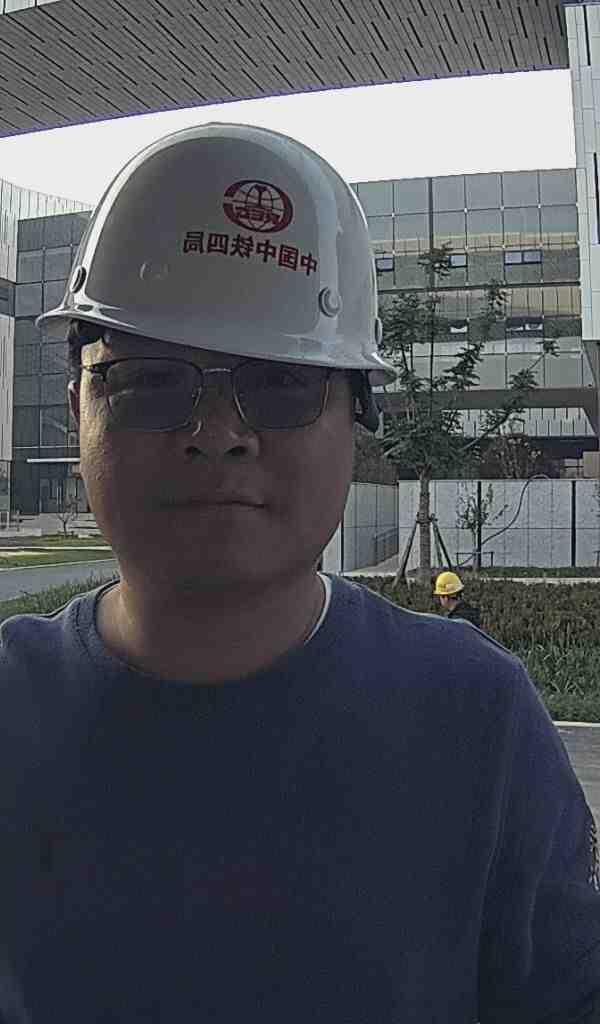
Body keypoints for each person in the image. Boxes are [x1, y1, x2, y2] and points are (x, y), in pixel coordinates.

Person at [0, 124, 598, 1024]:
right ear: (77, 407)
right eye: (151, 381)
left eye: (280, 384)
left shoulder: (477, 724)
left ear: (357, 418)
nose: (217, 433)